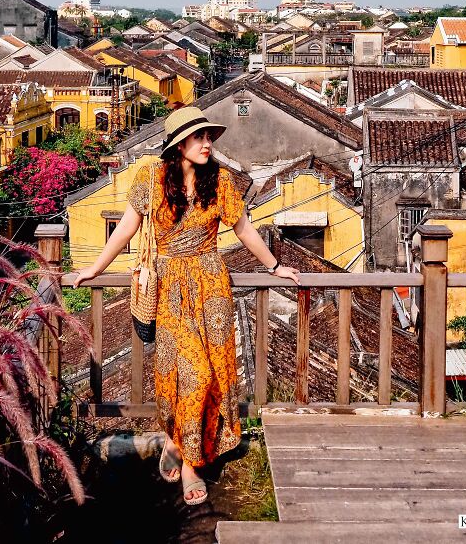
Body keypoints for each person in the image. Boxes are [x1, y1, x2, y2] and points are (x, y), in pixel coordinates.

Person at [73, 107, 300, 505]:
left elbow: (243, 229)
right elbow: (127, 227)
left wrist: (276, 266)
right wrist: (93, 268)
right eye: (198, 137)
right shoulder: (152, 178)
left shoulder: (221, 182)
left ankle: (178, 445)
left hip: (211, 283)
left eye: (209, 136)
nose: (207, 143)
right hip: (169, 287)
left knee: (214, 372)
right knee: (188, 374)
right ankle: (191, 465)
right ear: (178, 145)